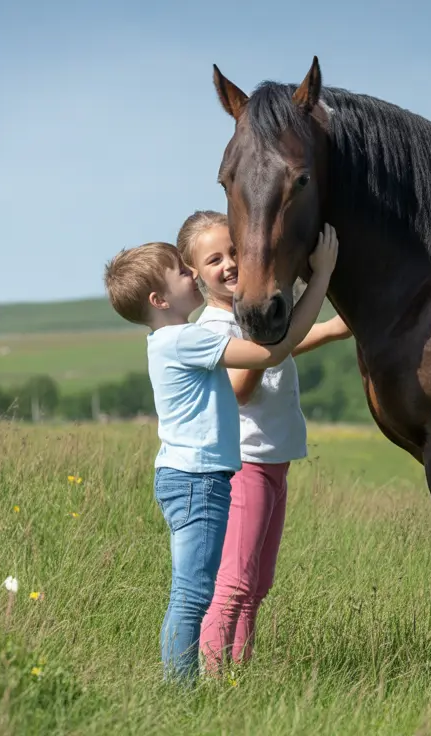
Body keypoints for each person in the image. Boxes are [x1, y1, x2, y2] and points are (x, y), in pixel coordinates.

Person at [101, 225, 339, 683]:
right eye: (181, 271)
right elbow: (272, 353)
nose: (191, 275)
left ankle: (214, 682)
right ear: (160, 300)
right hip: (198, 480)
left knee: (201, 592)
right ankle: (186, 692)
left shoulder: (171, 340)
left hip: (192, 477)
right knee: (195, 596)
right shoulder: (187, 338)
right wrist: (321, 281)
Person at [175, 210, 351, 673]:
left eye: (234, 251)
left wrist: (331, 330)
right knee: (233, 584)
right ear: (194, 274)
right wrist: (319, 282)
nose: (230, 264)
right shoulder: (212, 328)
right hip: (245, 466)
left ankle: (240, 677)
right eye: (215, 259)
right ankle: (214, 682)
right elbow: (241, 387)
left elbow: (278, 347)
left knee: (257, 586)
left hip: (274, 464)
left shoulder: (240, 313)